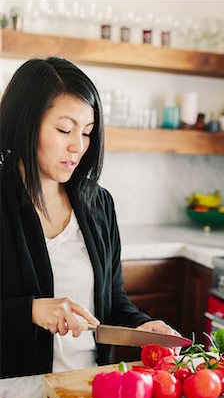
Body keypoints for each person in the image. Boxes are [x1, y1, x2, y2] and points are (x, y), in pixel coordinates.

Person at [0, 57, 180, 378]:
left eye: (87, 132)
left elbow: (112, 300)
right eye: (64, 129)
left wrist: (142, 325)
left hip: (90, 387)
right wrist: (30, 310)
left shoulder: (98, 203)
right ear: (25, 122)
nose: (78, 146)